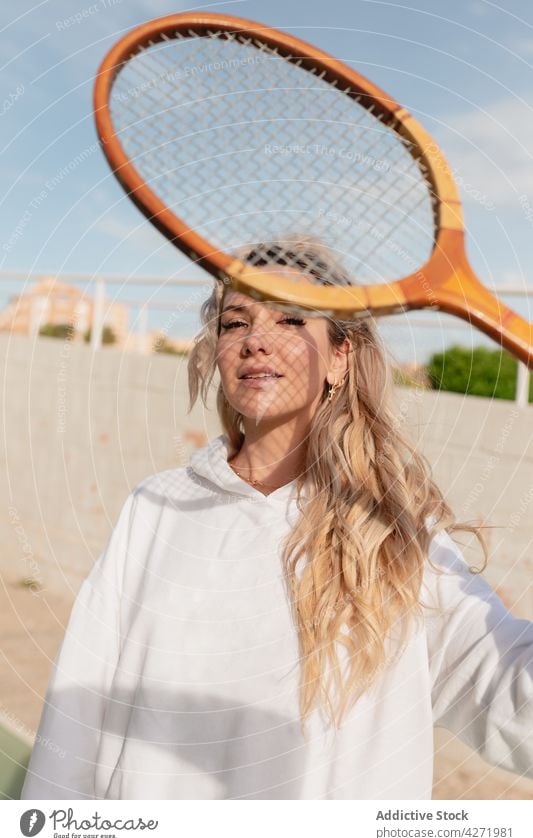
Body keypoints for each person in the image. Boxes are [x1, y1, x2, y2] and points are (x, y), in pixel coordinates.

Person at [21, 238, 533, 800]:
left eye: (291, 319)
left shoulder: (399, 539)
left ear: (340, 356)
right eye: (235, 323)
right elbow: (75, 721)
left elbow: (516, 710)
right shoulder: (156, 508)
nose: (255, 342)